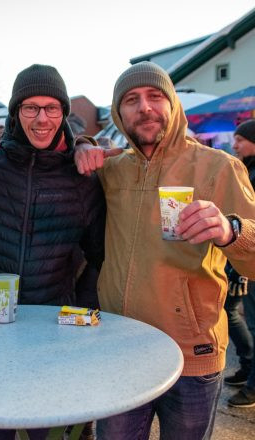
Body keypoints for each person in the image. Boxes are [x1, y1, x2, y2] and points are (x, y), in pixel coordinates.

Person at [74, 62, 255, 439]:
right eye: (131, 100)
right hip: (121, 349)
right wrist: (83, 144)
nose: (145, 108)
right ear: (118, 114)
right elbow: (86, 147)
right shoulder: (114, 169)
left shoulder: (218, 167)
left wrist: (230, 231)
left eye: (155, 96)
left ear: (172, 105)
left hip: (192, 354)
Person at [0, 64, 106, 439]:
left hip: (52, 337)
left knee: (51, 432)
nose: (42, 119)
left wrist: (83, 318)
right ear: (15, 113)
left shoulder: (83, 179)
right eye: (30, 107)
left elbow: (97, 256)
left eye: (52, 108)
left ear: (63, 114)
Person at [225, 119, 255, 407]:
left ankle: (253, 385)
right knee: (230, 310)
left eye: (240, 139)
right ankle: (248, 368)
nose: (234, 145)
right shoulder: (246, 169)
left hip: (250, 262)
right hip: (240, 262)